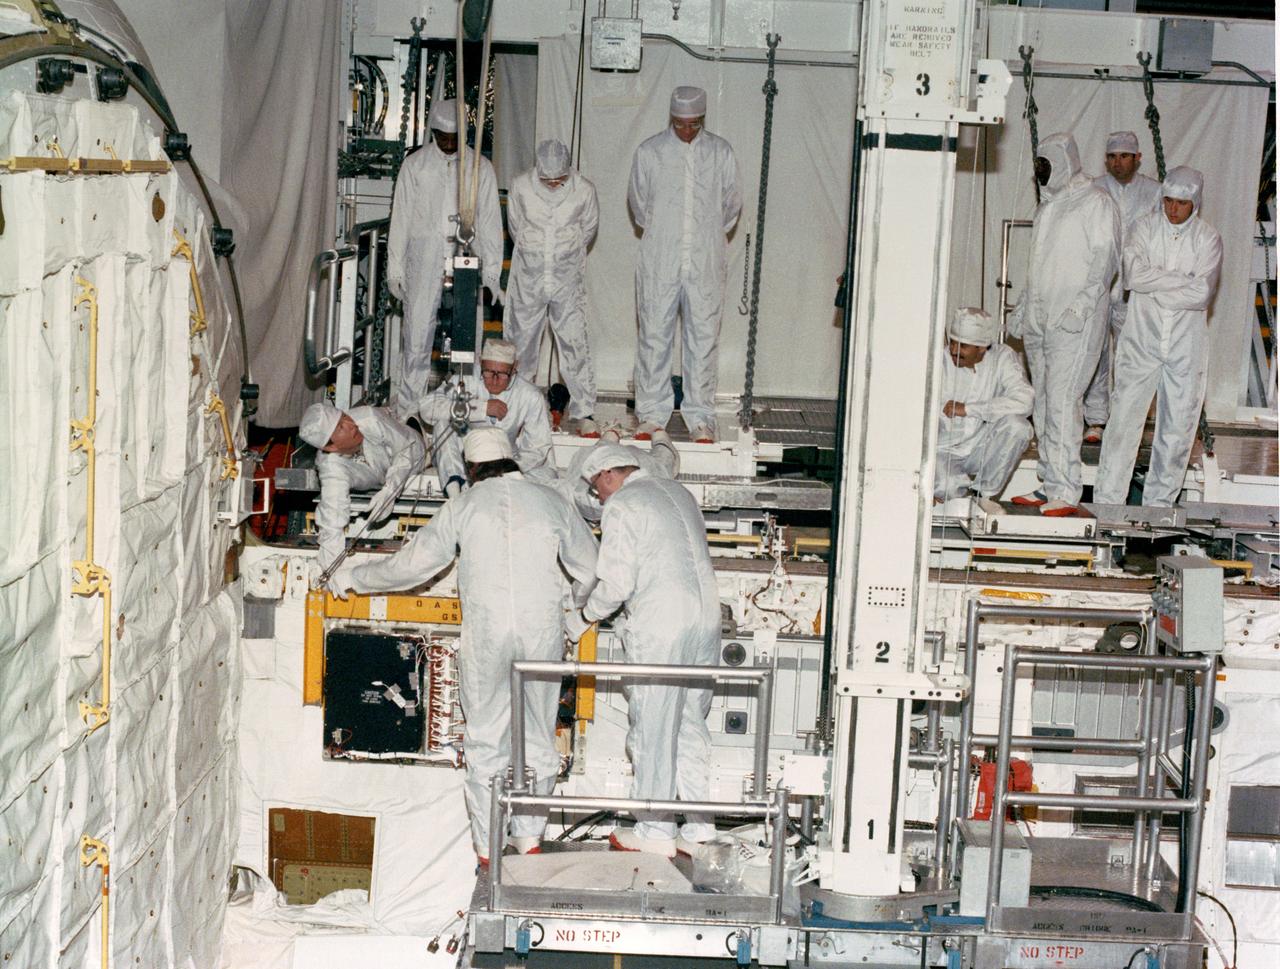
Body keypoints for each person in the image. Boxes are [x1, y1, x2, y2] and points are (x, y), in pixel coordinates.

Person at [328, 427, 599, 864]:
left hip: (488, 635)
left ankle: (489, 848)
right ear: (511, 460)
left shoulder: (463, 505)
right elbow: (590, 570)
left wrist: (353, 578)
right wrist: (574, 616)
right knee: (538, 737)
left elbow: (413, 567)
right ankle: (529, 838)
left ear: (472, 469)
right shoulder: (552, 501)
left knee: (486, 739)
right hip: (541, 633)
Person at [571, 444, 720, 857]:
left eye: (596, 488)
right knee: (690, 722)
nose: (599, 497)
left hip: (661, 623)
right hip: (705, 619)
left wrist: (583, 617)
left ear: (608, 474)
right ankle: (699, 828)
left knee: (653, 724)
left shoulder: (624, 503)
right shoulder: (679, 493)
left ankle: (655, 830)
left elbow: (616, 584)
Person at [1093, 167, 1223, 508]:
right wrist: (1181, 280)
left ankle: (1159, 507)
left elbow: (1201, 293)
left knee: (1177, 428)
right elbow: (1133, 276)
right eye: (1168, 201)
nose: (1173, 209)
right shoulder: (1143, 228)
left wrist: (1157, 286)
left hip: (1185, 347)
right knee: (1123, 423)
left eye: (1182, 203)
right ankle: (1107, 503)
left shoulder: (1207, 239)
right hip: (1141, 341)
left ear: (1195, 203)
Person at [1008, 132, 1120, 516]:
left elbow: (1105, 260)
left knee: (1061, 401)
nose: (1041, 172)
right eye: (1038, 166)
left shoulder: (1095, 203)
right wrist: (1024, 305)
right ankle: (1049, 481)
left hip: (1075, 320)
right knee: (1042, 403)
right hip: (1041, 319)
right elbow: (1038, 266)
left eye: (1046, 165)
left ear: (1065, 163)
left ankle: (1067, 489)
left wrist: (1083, 305)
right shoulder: (1048, 208)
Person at [628, 86, 742, 444]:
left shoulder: (720, 152)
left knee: (703, 338)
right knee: (654, 335)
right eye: (680, 124)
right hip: (660, 258)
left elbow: (731, 206)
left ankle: (700, 417)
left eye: (693, 124)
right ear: (671, 118)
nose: (686, 131)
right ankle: (651, 414)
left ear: (702, 119)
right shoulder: (650, 152)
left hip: (705, 260)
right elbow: (639, 206)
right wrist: (666, 233)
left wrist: (705, 237)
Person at [386, 98, 503, 416]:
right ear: (433, 132)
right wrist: (395, 269)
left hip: (466, 258)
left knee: (466, 335)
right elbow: (401, 219)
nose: (449, 145)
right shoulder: (415, 166)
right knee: (417, 333)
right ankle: (409, 408)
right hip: (423, 259)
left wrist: (492, 274)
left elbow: (490, 222)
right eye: (443, 138)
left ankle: (467, 403)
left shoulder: (479, 168)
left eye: (455, 139)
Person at [506, 139, 602, 437]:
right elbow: (516, 227)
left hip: (566, 278)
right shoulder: (520, 186)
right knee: (522, 341)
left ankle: (584, 410)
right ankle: (519, 406)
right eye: (546, 180)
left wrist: (564, 253)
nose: (552, 185)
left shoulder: (584, 190)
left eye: (558, 180)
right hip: (529, 278)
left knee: (574, 342)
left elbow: (588, 229)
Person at [1083, 131, 1164, 442]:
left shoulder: (1155, 192)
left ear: (1138, 158)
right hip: (1099, 284)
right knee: (1096, 351)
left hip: (1135, 288)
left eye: (1125, 156)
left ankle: (1125, 419)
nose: (1118, 162)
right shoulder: (1093, 190)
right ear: (1106, 160)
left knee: (1131, 355)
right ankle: (1096, 420)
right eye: (1113, 157)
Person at [299, 402, 425, 585]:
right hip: (389, 477)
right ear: (330, 447)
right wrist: (331, 572)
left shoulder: (369, 418)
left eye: (344, 416)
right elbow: (332, 517)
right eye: (340, 427)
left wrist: (391, 489)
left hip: (421, 445)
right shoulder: (331, 466)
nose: (351, 424)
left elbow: (407, 449)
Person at [418, 339, 555, 494]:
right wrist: (480, 408)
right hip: (466, 457)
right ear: (480, 362)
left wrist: (503, 471)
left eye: (502, 374)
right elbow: (427, 408)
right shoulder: (464, 378)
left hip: (505, 461)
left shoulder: (530, 395)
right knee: (443, 423)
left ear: (514, 368)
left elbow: (538, 447)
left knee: (545, 476)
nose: (495, 380)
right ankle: (455, 494)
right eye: (488, 372)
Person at [934, 308, 1034, 513]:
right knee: (948, 491)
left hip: (981, 444)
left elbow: (1025, 400)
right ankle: (959, 495)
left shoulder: (1002, 357)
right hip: (943, 450)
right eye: (952, 342)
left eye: (963, 345)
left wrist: (969, 409)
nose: (954, 350)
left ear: (982, 348)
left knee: (1018, 427)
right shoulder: (938, 362)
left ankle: (982, 494)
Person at [558, 428, 680, 523]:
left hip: (632, 460)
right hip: (616, 459)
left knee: (663, 462)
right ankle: (608, 439)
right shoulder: (584, 496)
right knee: (663, 461)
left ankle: (608, 439)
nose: (600, 499)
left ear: (606, 477)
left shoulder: (652, 481)